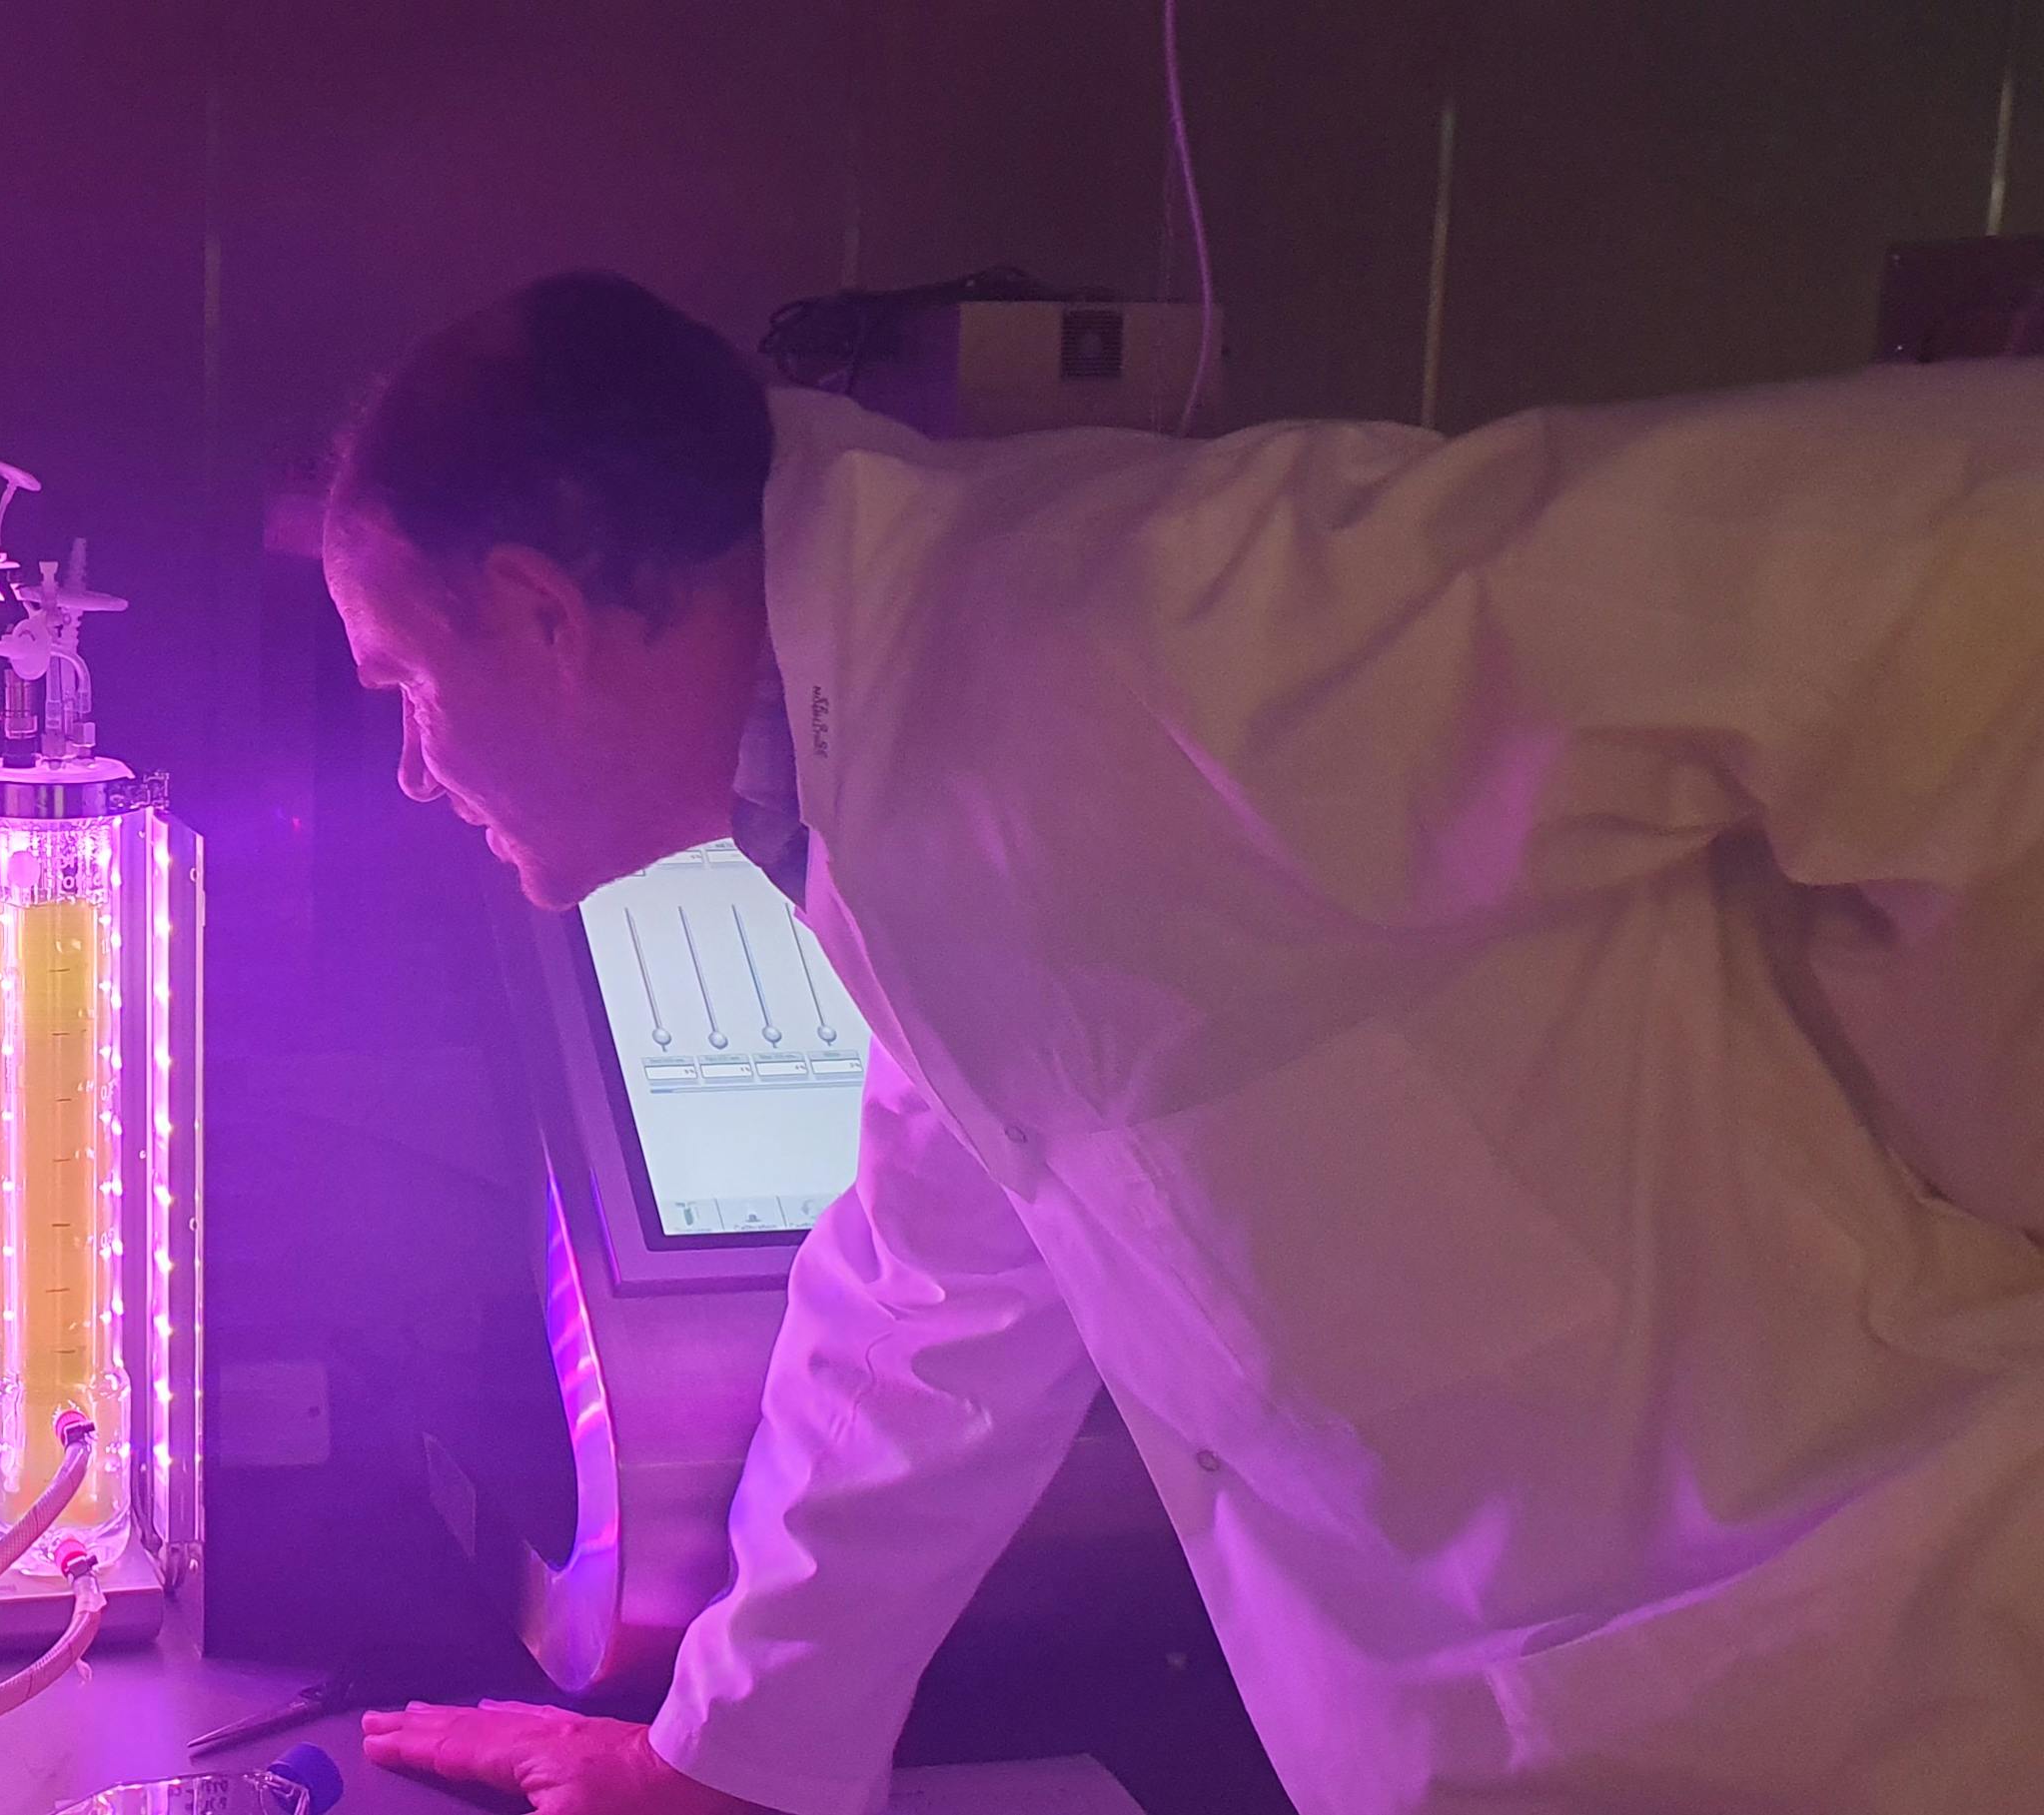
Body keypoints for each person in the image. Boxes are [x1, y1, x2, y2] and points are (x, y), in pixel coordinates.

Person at [334, 273, 2044, 1815]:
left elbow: (1971, 548)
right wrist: (729, 1760)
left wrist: (1954, 1151)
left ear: (544, 615)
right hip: (1602, 1709)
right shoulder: (886, 771)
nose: (415, 768)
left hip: (1873, 1680)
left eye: (406, 684)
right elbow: (943, 1290)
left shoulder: (1163, 631)